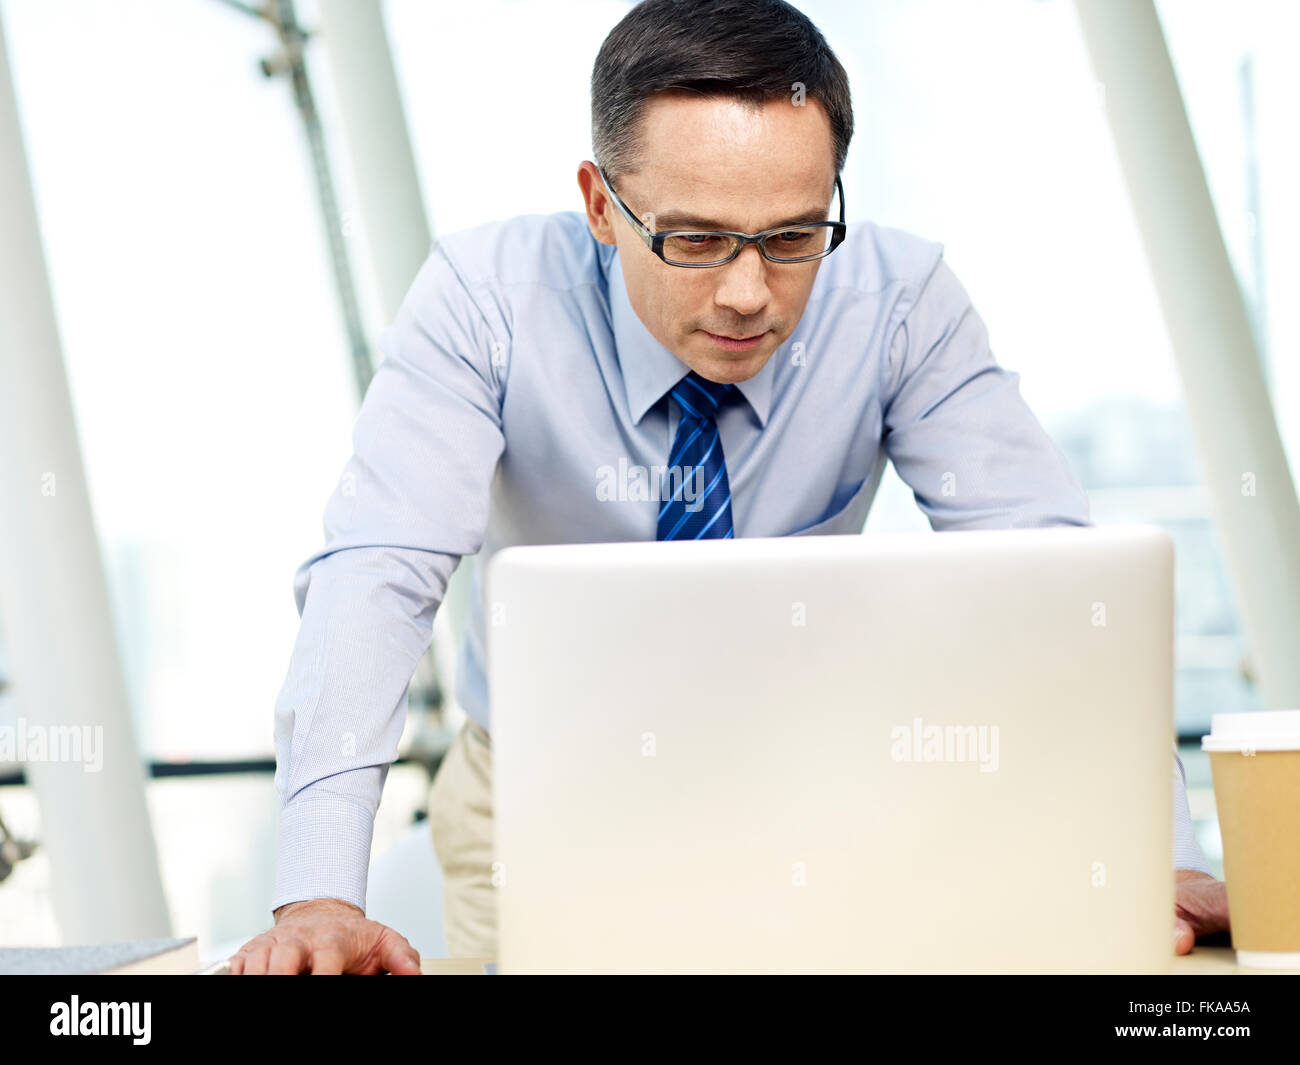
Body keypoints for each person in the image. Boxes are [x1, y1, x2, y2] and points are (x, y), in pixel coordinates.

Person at [230, 0, 1229, 975]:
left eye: (793, 236)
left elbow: (1049, 583)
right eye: (697, 240)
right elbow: (377, 573)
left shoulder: (897, 303)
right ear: (598, 205)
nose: (749, 293)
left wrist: (1159, 851)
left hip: (819, 785)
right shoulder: (484, 301)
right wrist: (320, 894)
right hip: (540, 796)